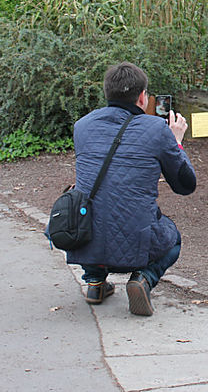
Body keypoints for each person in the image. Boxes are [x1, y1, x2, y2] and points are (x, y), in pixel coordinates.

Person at [64, 62, 196, 316]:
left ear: (107, 93)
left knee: (96, 207)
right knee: (173, 239)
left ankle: (94, 282)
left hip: (82, 237)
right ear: (142, 97)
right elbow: (185, 185)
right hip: (136, 241)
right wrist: (176, 142)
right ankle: (143, 278)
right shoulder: (157, 129)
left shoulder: (83, 126)